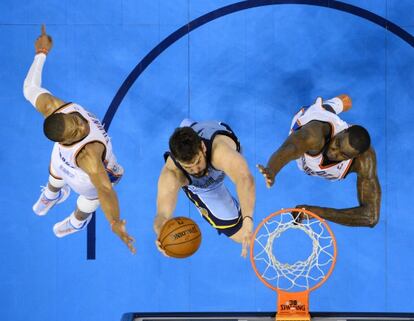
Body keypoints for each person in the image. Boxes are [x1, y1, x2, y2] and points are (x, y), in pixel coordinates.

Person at [23, 25, 136, 253]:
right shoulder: (89, 154)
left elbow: (29, 88)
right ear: (67, 140)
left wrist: (41, 53)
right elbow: (105, 189)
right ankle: (77, 222)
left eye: (75, 121)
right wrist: (114, 221)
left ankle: (50, 196)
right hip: (83, 178)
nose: (80, 124)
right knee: (90, 198)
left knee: (55, 169)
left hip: (61, 160)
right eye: (75, 131)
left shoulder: (53, 107)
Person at [257, 95, 381, 227]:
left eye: (343, 154)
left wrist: (317, 212)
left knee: (341, 104)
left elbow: (370, 217)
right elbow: (291, 148)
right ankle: (338, 103)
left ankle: (338, 104)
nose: (334, 152)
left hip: (326, 130)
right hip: (310, 119)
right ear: (342, 131)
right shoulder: (314, 135)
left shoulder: (364, 160)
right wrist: (272, 169)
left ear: (354, 157)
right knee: (340, 103)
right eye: (337, 144)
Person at [153, 119, 255, 257]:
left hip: (217, 136)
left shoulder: (219, 151)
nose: (195, 170)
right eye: (188, 167)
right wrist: (162, 233)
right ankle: (187, 128)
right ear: (178, 161)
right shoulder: (173, 173)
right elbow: (162, 215)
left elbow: (244, 179)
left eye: (197, 162)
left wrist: (248, 218)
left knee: (238, 166)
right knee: (241, 235)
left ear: (203, 147)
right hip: (204, 187)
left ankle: (190, 128)